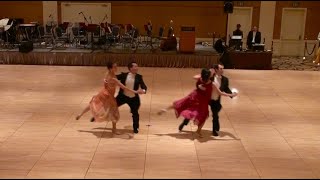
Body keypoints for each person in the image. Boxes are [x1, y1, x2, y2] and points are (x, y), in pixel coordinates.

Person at [158, 69, 237, 138]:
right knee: (204, 115)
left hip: (194, 96)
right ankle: (198, 131)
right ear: (209, 76)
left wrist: (201, 80)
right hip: (203, 101)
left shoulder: (200, 78)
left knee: (181, 103)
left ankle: (166, 109)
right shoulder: (212, 84)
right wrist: (232, 95)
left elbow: (194, 77)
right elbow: (220, 93)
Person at [75, 62, 144, 134]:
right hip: (108, 96)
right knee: (114, 112)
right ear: (111, 69)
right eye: (115, 67)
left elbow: (105, 80)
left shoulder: (107, 74)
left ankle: (81, 114)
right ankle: (113, 129)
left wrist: (105, 81)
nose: (116, 68)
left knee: (94, 104)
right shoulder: (114, 78)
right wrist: (135, 92)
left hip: (103, 93)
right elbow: (124, 87)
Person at [179, 64, 236, 137]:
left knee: (215, 115)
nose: (222, 70)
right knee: (194, 111)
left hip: (215, 100)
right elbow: (198, 79)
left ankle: (214, 130)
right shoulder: (210, 76)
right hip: (205, 99)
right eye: (221, 68)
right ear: (216, 69)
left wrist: (232, 95)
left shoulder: (225, 79)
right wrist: (203, 77)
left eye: (223, 68)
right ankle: (184, 123)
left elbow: (226, 89)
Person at [115, 61, 147, 134]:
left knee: (135, 113)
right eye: (135, 66)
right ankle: (98, 116)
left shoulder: (139, 77)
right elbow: (114, 77)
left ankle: (135, 128)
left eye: (137, 66)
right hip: (122, 97)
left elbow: (144, 86)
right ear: (130, 68)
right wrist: (106, 79)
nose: (137, 68)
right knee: (112, 106)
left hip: (133, 99)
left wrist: (143, 90)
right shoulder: (123, 75)